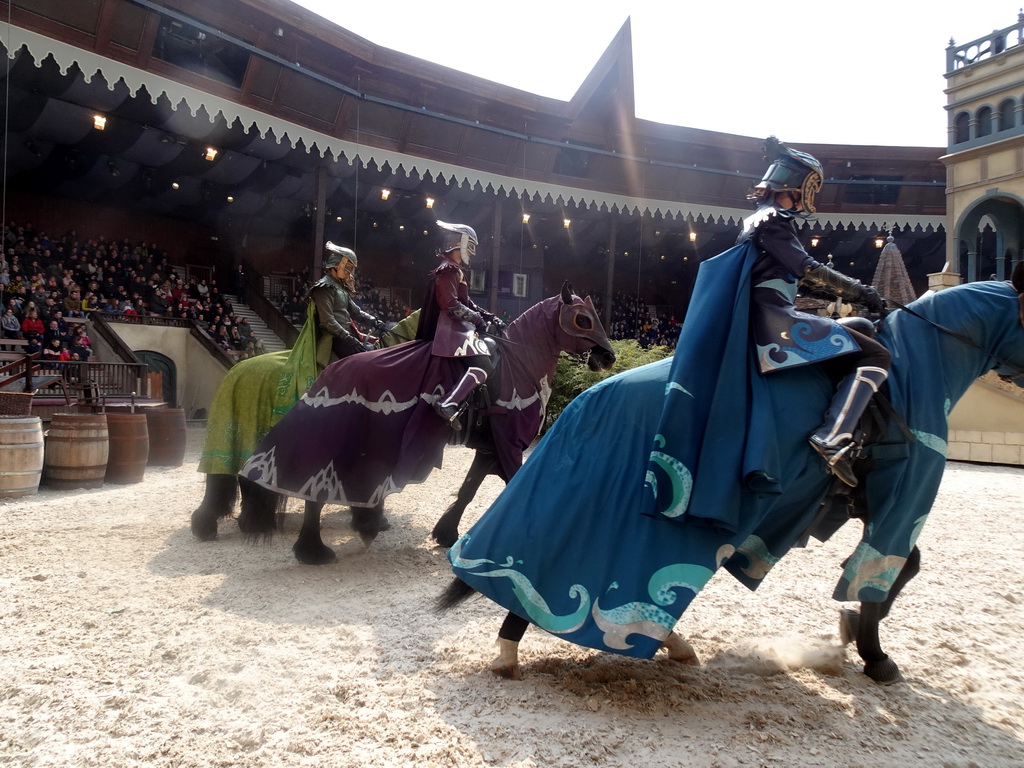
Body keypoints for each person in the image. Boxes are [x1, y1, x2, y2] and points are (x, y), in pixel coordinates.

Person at [741, 137, 889, 486]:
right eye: (809, 189)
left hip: (771, 312)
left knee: (861, 327)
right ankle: (833, 436)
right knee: (878, 356)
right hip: (774, 321)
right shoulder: (774, 220)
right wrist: (861, 290)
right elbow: (807, 268)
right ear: (795, 187)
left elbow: (794, 275)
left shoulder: (760, 219)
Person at [416, 220, 503, 429]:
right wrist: (477, 319)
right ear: (461, 244)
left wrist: (488, 316)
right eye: (471, 247)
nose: (472, 253)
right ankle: (448, 402)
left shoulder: (456, 270)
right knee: (483, 366)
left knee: (491, 346)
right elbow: (451, 304)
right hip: (451, 329)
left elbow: (467, 302)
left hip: (459, 327)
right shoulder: (449, 270)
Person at [307, 242, 387, 363]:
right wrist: (347, 337)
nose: (349, 272)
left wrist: (374, 321)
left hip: (347, 335)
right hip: (335, 338)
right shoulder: (324, 287)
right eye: (348, 267)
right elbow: (327, 321)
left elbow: (356, 312)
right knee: (366, 360)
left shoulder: (340, 288)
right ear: (337, 266)